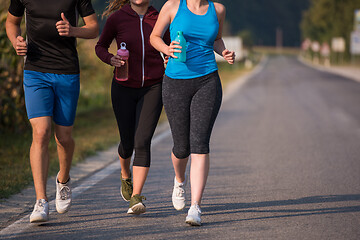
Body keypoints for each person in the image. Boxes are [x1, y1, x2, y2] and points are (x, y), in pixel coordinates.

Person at [6, 0, 99, 223]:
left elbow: (94, 27)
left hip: (67, 71)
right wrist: (15, 41)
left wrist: (73, 31)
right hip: (36, 71)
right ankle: (40, 200)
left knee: (63, 137)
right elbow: (11, 22)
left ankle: (63, 180)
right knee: (41, 132)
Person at [150, 0, 235, 226]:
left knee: (200, 143)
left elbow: (216, 39)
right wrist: (166, 49)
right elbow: (154, 37)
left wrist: (223, 51)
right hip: (175, 81)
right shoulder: (173, 6)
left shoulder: (218, 10)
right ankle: (180, 180)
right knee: (181, 148)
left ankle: (195, 207)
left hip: (207, 80)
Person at [95, 0, 169, 215]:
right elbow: (100, 46)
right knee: (127, 143)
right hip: (123, 86)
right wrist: (111, 58)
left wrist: (169, 57)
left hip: (154, 85)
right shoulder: (117, 18)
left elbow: (170, 43)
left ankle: (136, 197)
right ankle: (125, 174)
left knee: (142, 141)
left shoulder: (160, 16)